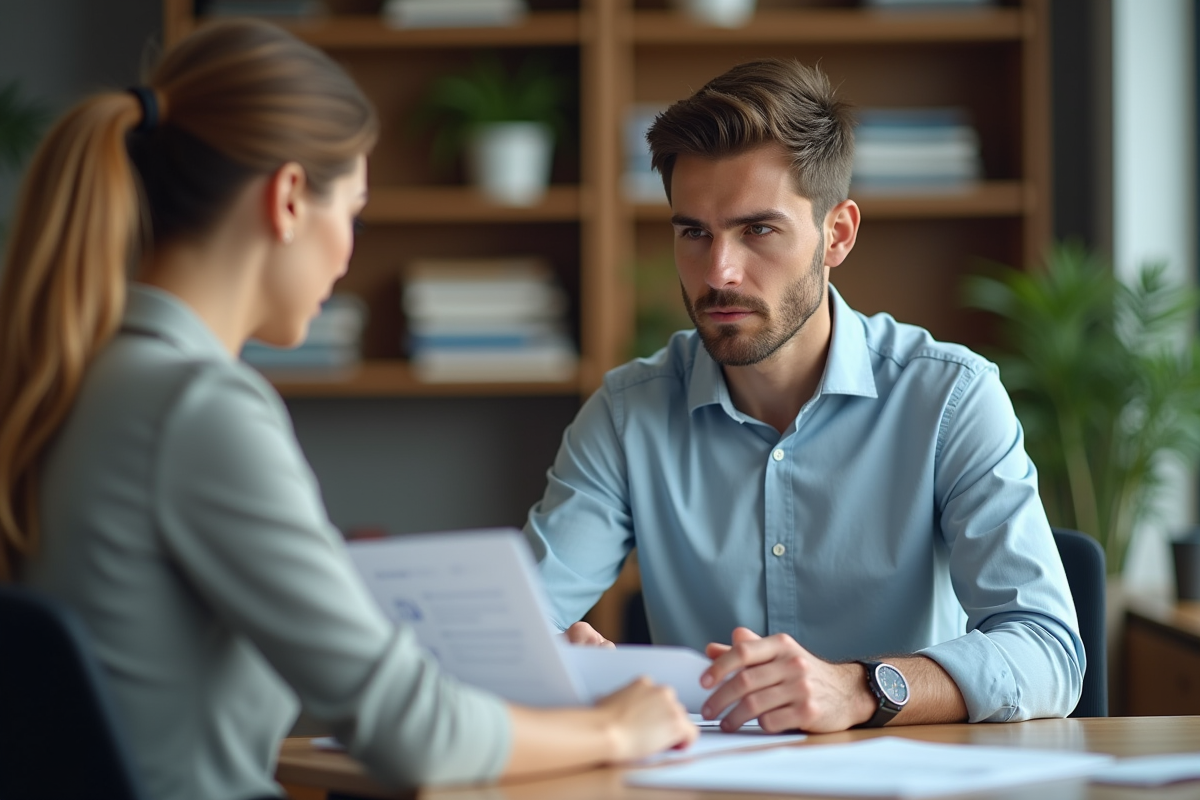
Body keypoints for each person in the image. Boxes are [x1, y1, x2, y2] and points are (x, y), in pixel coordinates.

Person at [0, 19, 695, 800]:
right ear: (289, 198)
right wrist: (613, 729)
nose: (348, 253)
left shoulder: (75, 380)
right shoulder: (197, 408)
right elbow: (412, 734)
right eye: (353, 214)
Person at [524, 59, 1084, 734]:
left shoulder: (950, 399)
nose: (719, 272)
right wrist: (554, 664)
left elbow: (1048, 651)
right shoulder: (626, 414)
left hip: (902, 772)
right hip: (707, 777)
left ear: (836, 235)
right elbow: (519, 624)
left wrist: (861, 689)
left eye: (757, 230)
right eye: (694, 232)